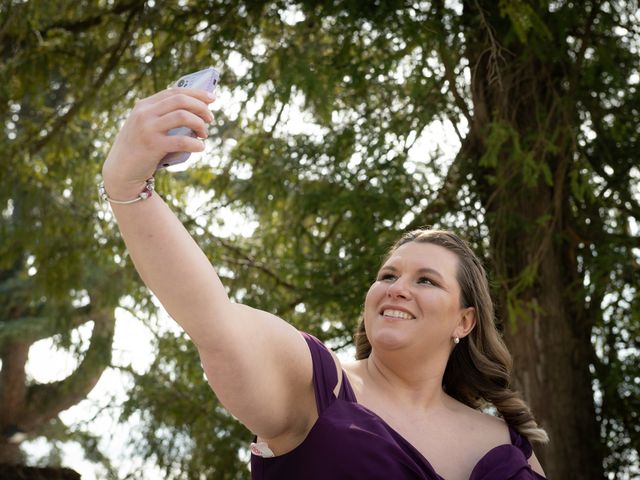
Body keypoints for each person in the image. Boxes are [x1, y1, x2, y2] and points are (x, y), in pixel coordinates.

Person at [101, 86, 548, 479]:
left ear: (465, 321)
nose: (396, 287)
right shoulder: (316, 384)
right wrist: (127, 183)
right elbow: (212, 319)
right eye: (387, 275)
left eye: (426, 280)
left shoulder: (508, 444)